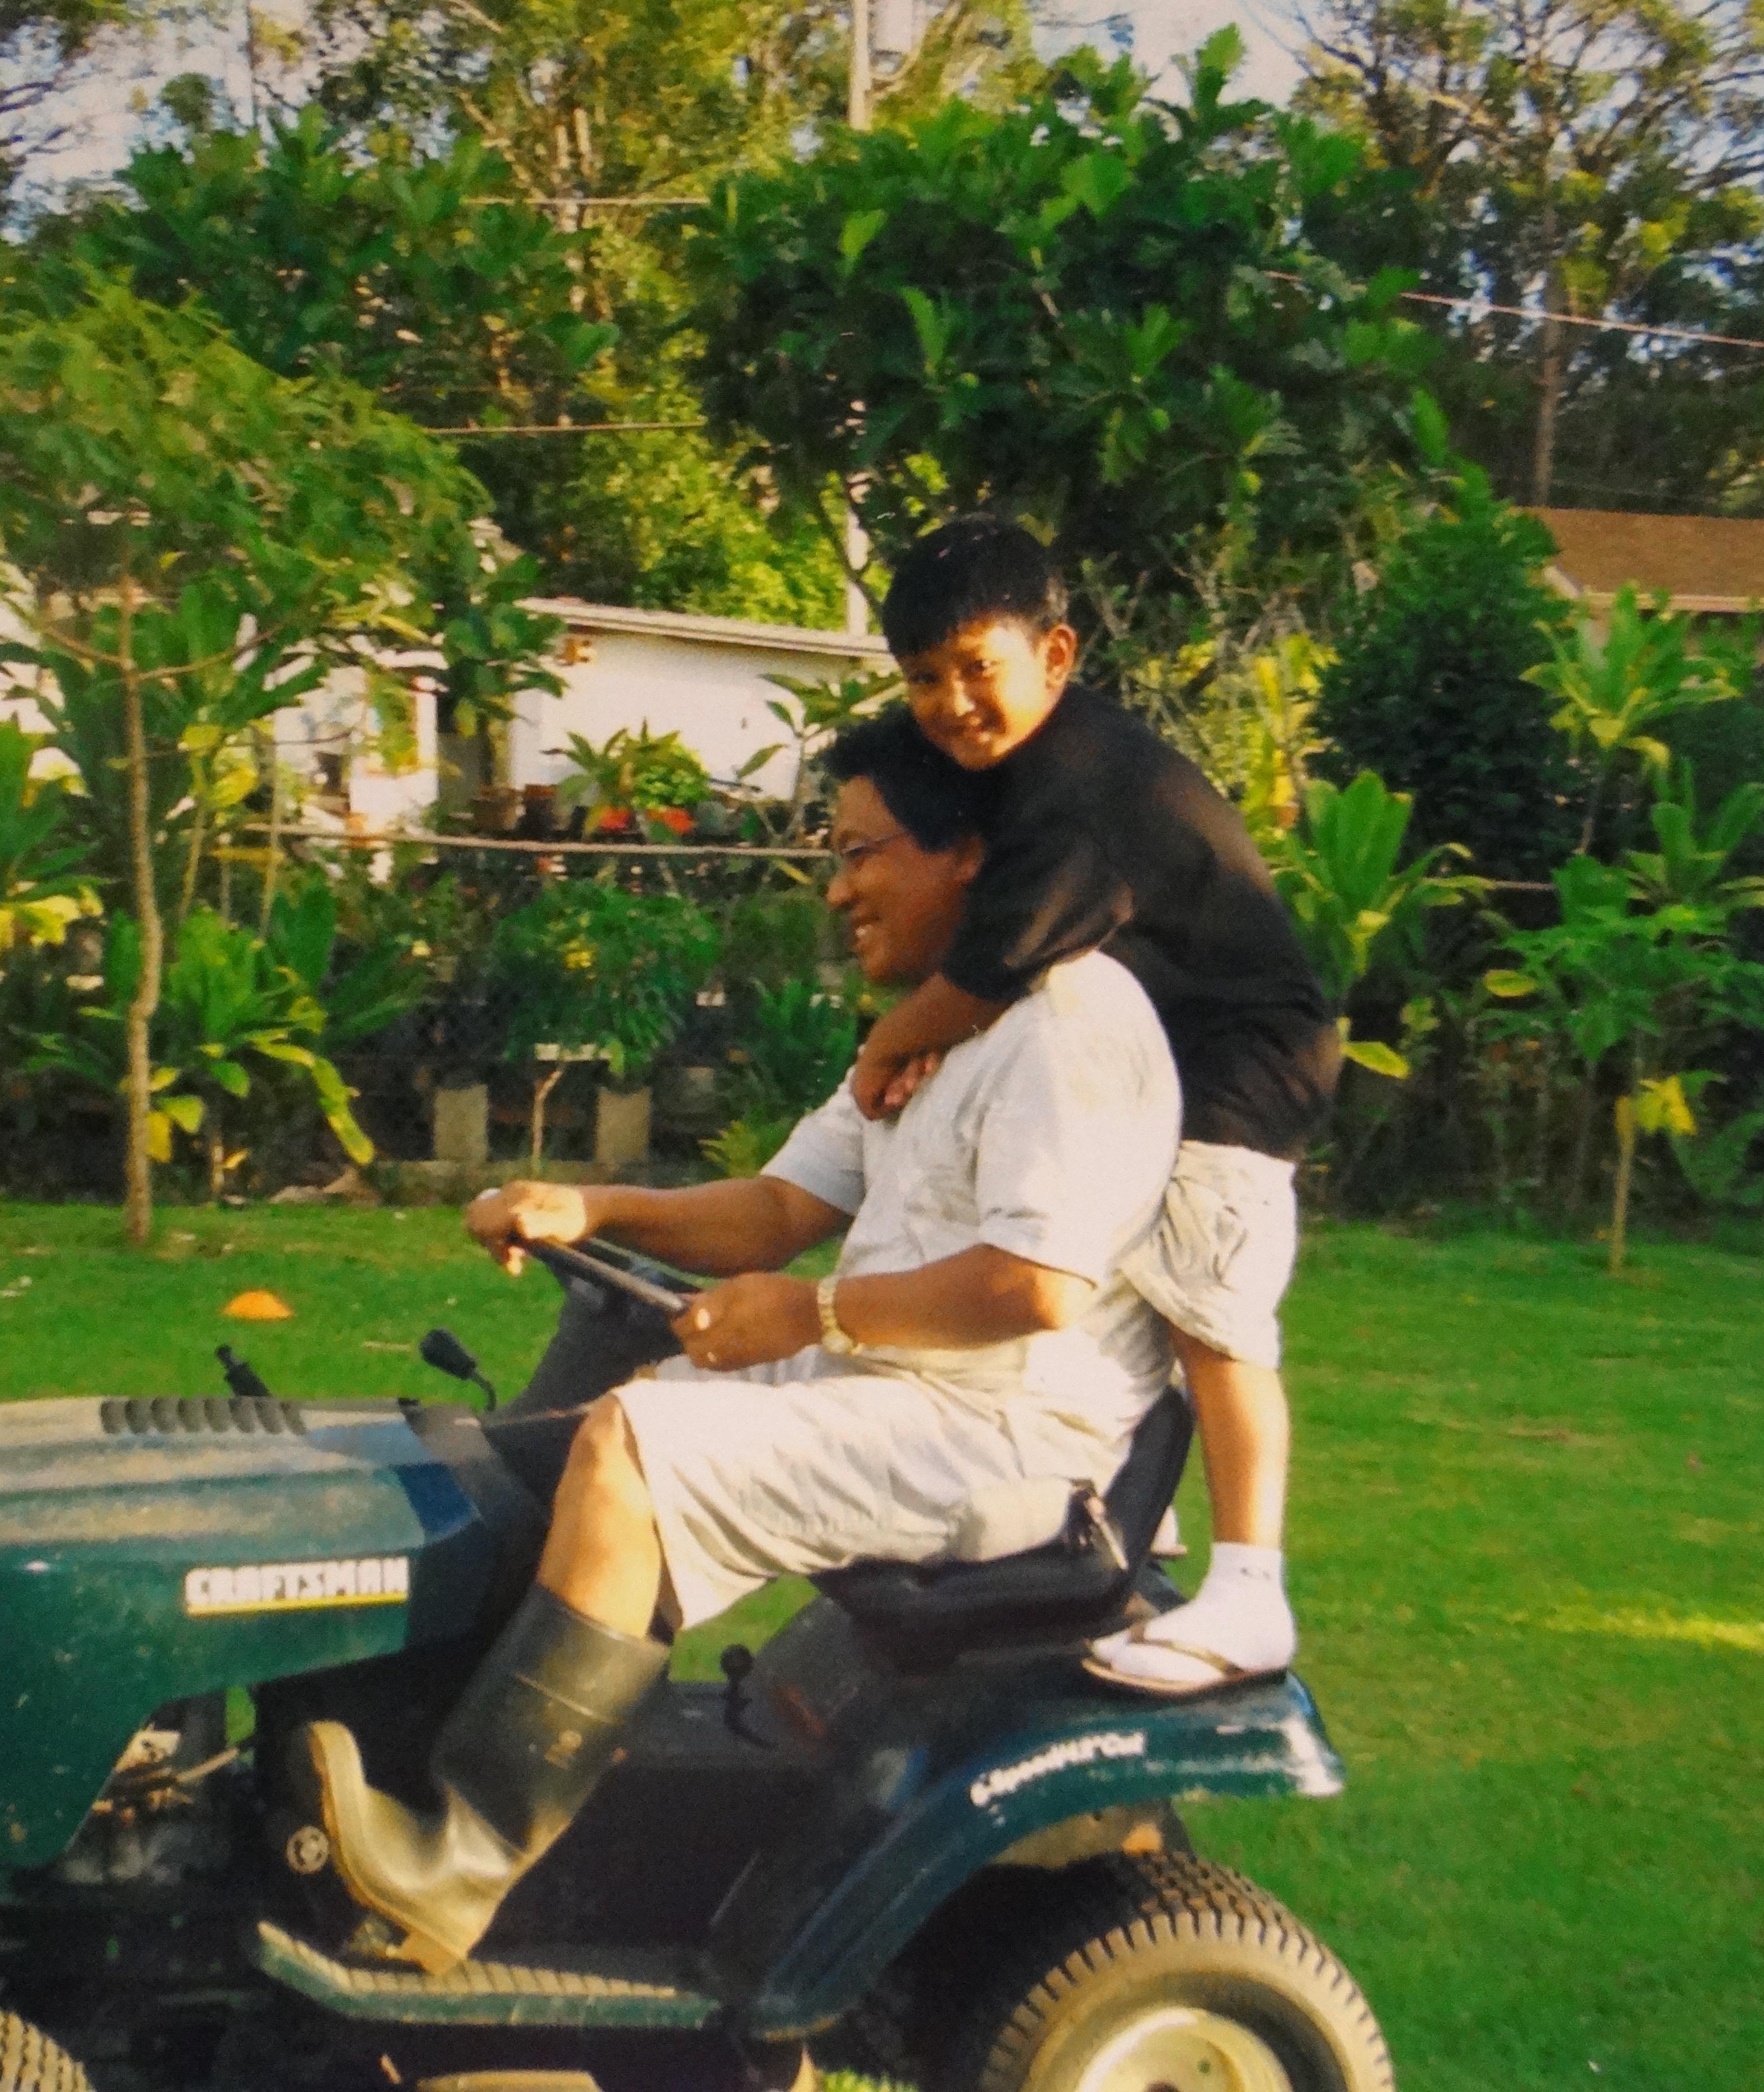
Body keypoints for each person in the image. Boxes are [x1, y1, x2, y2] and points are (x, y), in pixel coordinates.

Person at [289, 707, 1182, 1971]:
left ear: (967, 853)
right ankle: (478, 1762)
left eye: (864, 852)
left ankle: (462, 1861)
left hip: (1013, 1432)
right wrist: (590, 1205)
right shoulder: (938, 1026)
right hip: (917, 1384)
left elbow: (1036, 1286)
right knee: (571, 1430)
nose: (838, 887)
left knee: (637, 1449)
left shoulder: (1069, 1024)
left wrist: (813, 1311)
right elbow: (776, 1209)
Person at [848, 516, 1339, 1698]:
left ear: (1056, 657)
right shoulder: (1023, 778)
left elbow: (993, 962)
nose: (954, 702)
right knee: (1119, 1281)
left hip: (1244, 1058)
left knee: (1210, 1317)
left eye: (981, 668)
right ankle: (1140, 1511)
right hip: (1167, 1052)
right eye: (925, 678)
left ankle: (1254, 1588)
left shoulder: (1082, 784)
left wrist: (888, 1046)